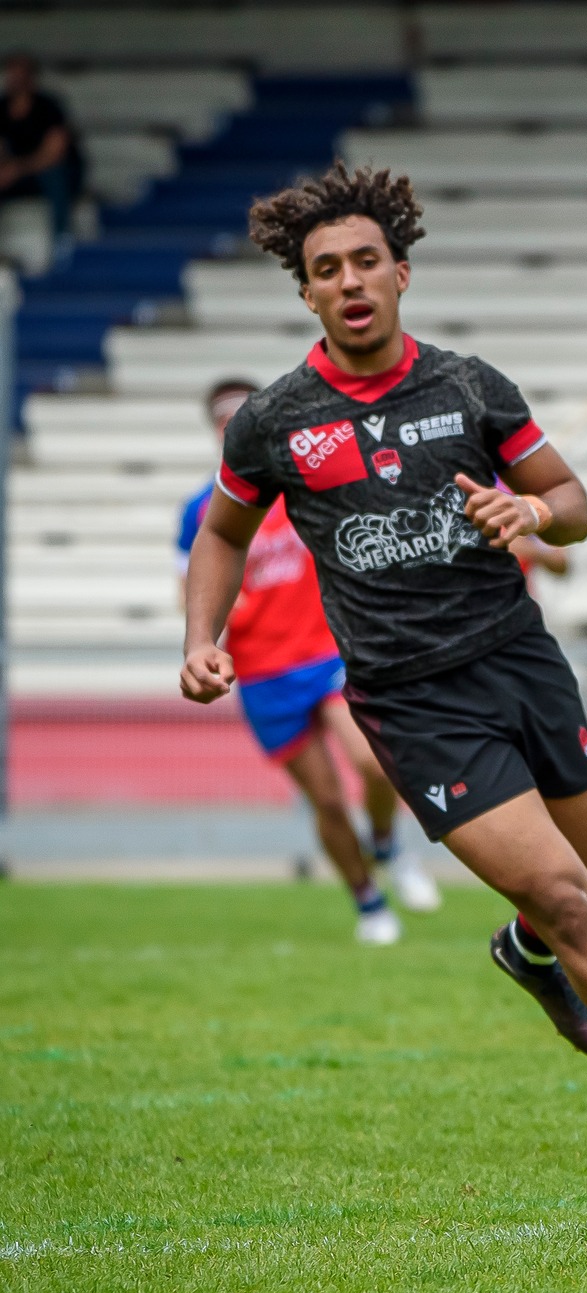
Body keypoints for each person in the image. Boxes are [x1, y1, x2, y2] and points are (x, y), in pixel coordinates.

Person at [178, 162, 587, 1156]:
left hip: (520, 662)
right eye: (327, 268)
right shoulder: (276, 420)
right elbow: (221, 535)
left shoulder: (468, 385)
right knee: (569, 899)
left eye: (366, 260)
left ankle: (525, 954)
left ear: (402, 272)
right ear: (305, 291)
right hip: (412, 703)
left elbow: (574, 502)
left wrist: (534, 509)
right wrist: (202, 639)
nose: (349, 281)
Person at [177, 378, 441, 944]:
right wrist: (213, 626)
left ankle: (390, 845)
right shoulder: (203, 508)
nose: (233, 423)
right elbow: (191, 585)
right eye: (222, 416)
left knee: (373, 762)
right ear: (213, 428)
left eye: (242, 412)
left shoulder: (304, 485)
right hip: (264, 673)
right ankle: (369, 903)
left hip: (327, 653)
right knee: (324, 799)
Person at [0, 54, 80, 251]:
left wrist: (18, 168)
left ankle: (62, 240)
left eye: (21, 74)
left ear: (31, 77)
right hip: (18, 174)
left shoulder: (48, 107)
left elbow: (54, 152)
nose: (16, 79)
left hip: (51, 170)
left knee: (54, 176)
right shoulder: (2, 107)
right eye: (12, 74)